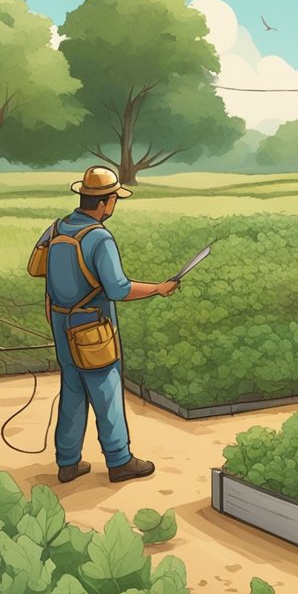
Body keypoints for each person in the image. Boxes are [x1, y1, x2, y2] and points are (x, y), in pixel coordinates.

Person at [40, 166, 179, 484]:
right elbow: (118, 289)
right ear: (104, 202)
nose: (114, 203)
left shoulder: (57, 227)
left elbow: (44, 272)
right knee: (106, 391)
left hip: (61, 321)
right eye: (114, 198)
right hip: (93, 326)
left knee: (72, 391)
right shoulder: (99, 238)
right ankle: (119, 461)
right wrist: (158, 288)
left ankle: (67, 462)